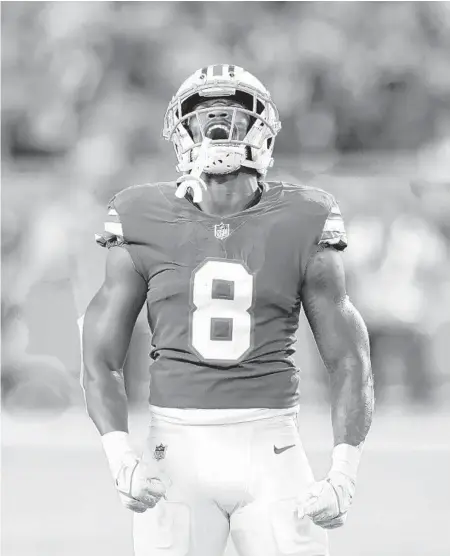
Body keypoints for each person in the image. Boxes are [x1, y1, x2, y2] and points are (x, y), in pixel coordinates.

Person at [81, 64, 374, 556]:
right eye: (203, 120)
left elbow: (350, 357)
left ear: (262, 132)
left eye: (233, 119)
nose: (218, 131)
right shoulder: (140, 215)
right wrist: (120, 458)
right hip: (174, 451)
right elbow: (99, 355)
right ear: (180, 132)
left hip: (272, 446)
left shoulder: (304, 216)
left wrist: (344, 471)